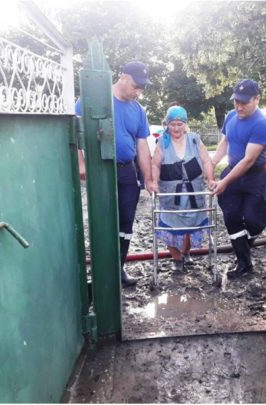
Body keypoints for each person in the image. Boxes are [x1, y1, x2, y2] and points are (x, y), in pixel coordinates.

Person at [75, 61, 155, 287]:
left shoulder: (138, 110)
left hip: (127, 171)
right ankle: (100, 272)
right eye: (136, 86)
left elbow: (142, 146)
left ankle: (118, 268)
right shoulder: (92, 100)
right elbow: (74, 130)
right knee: (102, 220)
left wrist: (148, 179)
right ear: (123, 77)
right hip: (100, 170)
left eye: (142, 88)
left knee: (126, 222)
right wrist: (81, 162)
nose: (138, 92)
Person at [209, 79, 266, 279]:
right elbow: (224, 142)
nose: (239, 106)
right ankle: (244, 264)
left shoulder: (262, 123)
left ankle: (243, 249)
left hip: (256, 176)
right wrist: (212, 162)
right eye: (236, 101)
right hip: (232, 172)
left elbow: (248, 160)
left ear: (257, 99)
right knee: (231, 216)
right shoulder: (230, 116)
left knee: (256, 220)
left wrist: (224, 182)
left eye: (244, 102)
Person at [148, 106, 215, 272]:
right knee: (169, 226)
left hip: (194, 192)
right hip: (171, 194)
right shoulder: (162, 142)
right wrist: (154, 182)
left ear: (185, 124)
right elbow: (155, 165)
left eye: (180, 124)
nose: (176, 128)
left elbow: (206, 160)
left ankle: (186, 252)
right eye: (173, 124)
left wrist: (210, 178)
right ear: (167, 124)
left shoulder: (194, 139)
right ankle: (177, 259)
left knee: (191, 226)